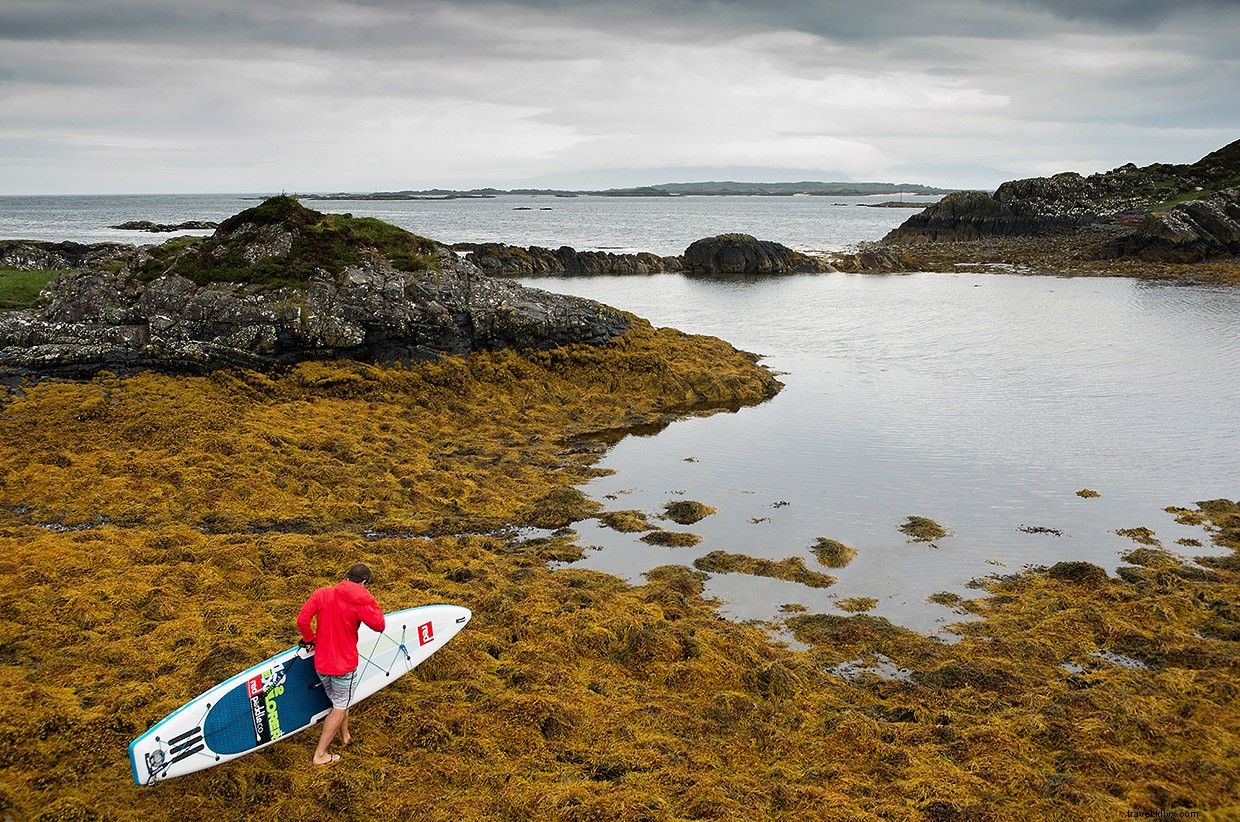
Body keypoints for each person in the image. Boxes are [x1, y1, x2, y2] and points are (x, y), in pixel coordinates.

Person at [296, 563, 385, 765]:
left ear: (347, 576)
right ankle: (320, 754)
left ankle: (345, 737)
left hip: (321, 663)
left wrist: (310, 639)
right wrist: (369, 599)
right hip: (344, 665)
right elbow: (379, 625)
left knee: (339, 701)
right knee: (340, 704)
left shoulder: (322, 593)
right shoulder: (362, 602)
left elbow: (302, 620)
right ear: (364, 583)